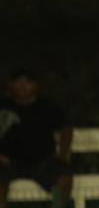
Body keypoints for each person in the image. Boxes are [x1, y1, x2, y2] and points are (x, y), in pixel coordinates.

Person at [0, 69, 73, 200]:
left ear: (35, 85)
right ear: (11, 85)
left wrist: (62, 154)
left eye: (27, 82)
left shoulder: (47, 107)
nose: (23, 86)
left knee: (64, 179)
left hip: (43, 164)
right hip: (8, 164)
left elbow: (66, 128)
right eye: (19, 82)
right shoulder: (3, 106)